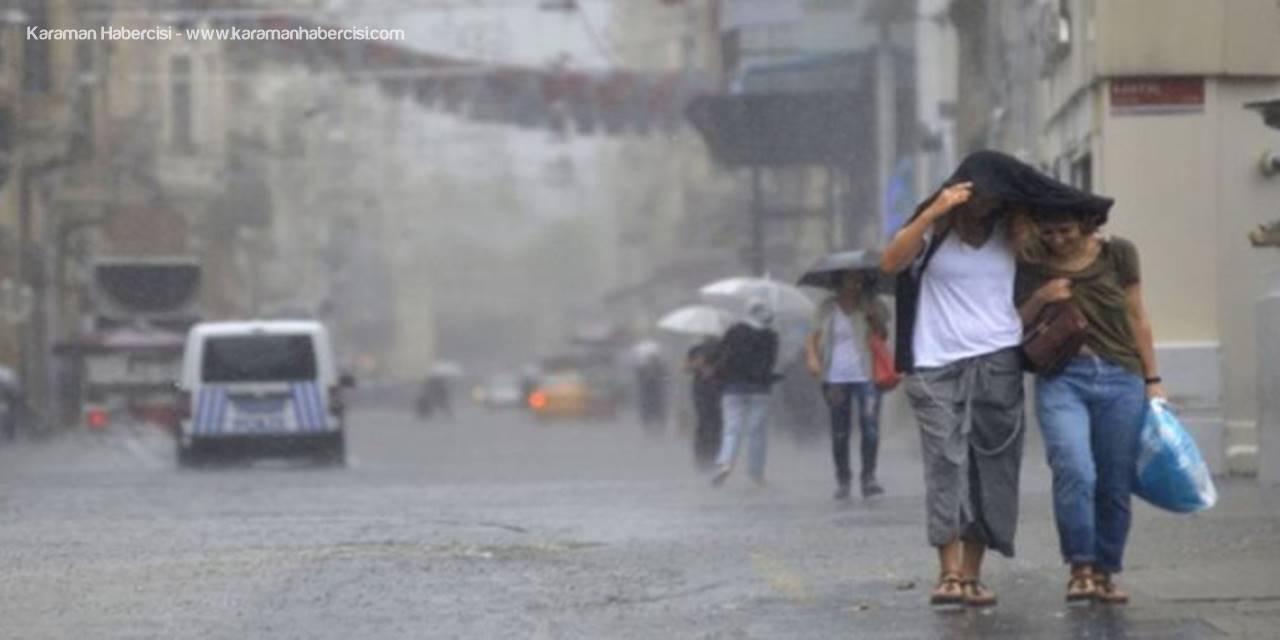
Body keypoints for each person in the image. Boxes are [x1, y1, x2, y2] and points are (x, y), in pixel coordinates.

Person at [881, 150, 1112, 608]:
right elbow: (890, 264)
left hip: (998, 360)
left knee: (992, 466)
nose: (983, 207)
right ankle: (948, 573)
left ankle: (972, 574)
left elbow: (1074, 219)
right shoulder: (935, 233)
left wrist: (1077, 253)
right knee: (946, 462)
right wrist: (931, 212)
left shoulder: (1014, 234)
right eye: (977, 198)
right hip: (934, 363)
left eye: (994, 199)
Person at [1015, 210, 1162, 605]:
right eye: (1049, 232)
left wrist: (1153, 380)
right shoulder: (1031, 258)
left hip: (1121, 376)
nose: (1058, 240)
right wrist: (1042, 297)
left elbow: (1137, 315)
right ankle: (1080, 567)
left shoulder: (1118, 253)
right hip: (1062, 377)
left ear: (1086, 225)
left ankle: (1105, 571)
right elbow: (1012, 320)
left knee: (1115, 479)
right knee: (1074, 468)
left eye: (1065, 230)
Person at [804, 269, 890, 500]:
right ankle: (843, 479)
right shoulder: (826, 307)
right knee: (840, 432)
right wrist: (812, 358)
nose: (854, 282)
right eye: (849, 278)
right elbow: (813, 337)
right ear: (839, 281)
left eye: (858, 278)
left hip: (867, 375)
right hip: (835, 377)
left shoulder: (872, 304)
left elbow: (883, 335)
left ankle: (869, 477)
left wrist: (873, 317)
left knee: (870, 428)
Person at [710, 299, 779, 486]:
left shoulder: (734, 331)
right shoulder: (770, 335)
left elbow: (720, 353)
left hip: (733, 386)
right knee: (757, 432)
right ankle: (756, 473)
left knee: (731, 429)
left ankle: (726, 463)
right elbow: (771, 362)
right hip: (760, 388)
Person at [685, 336, 723, 470]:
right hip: (701, 392)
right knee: (704, 422)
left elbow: (731, 368)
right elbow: (686, 368)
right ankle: (702, 456)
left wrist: (716, 368)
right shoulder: (696, 350)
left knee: (717, 424)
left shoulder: (724, 351)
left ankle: (714, 455)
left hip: (718, 392)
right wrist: (698, 364)